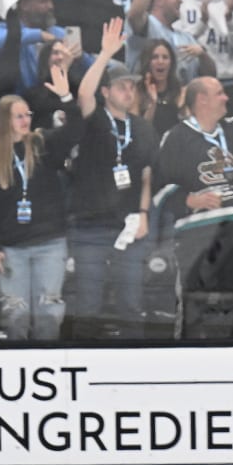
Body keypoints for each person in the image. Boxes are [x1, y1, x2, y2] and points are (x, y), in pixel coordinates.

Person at [155, 71, 233, 339]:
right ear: (201, 99)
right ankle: (190, 364)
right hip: (198, 232)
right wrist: (188, 199)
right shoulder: (176, 137)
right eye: (219, 93)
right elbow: (158, 183)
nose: (226, 97)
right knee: (194, 302)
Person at [68, 18, 157, 340]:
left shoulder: (143, 127)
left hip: (130, 225)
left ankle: (133, 373)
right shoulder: (93, 119)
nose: (129, 90)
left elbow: (147, 174)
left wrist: (145, 214)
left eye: (132, 86)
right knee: (88, 305)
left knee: (131, 303)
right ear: (106, 91)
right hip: (91, 224)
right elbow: (83, 94)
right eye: (121, 85)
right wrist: (106, 54)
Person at [0, 65, 88, 340]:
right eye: (18, 116)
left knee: (48, 316)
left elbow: (76, 130)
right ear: (3, 120)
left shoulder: (43, 143)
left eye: (27, 114)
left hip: (49, 244)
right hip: (11, 249)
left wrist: (67, 98)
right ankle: (15, 368)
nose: (25, 120)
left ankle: (49, 364)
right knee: (15, 317)